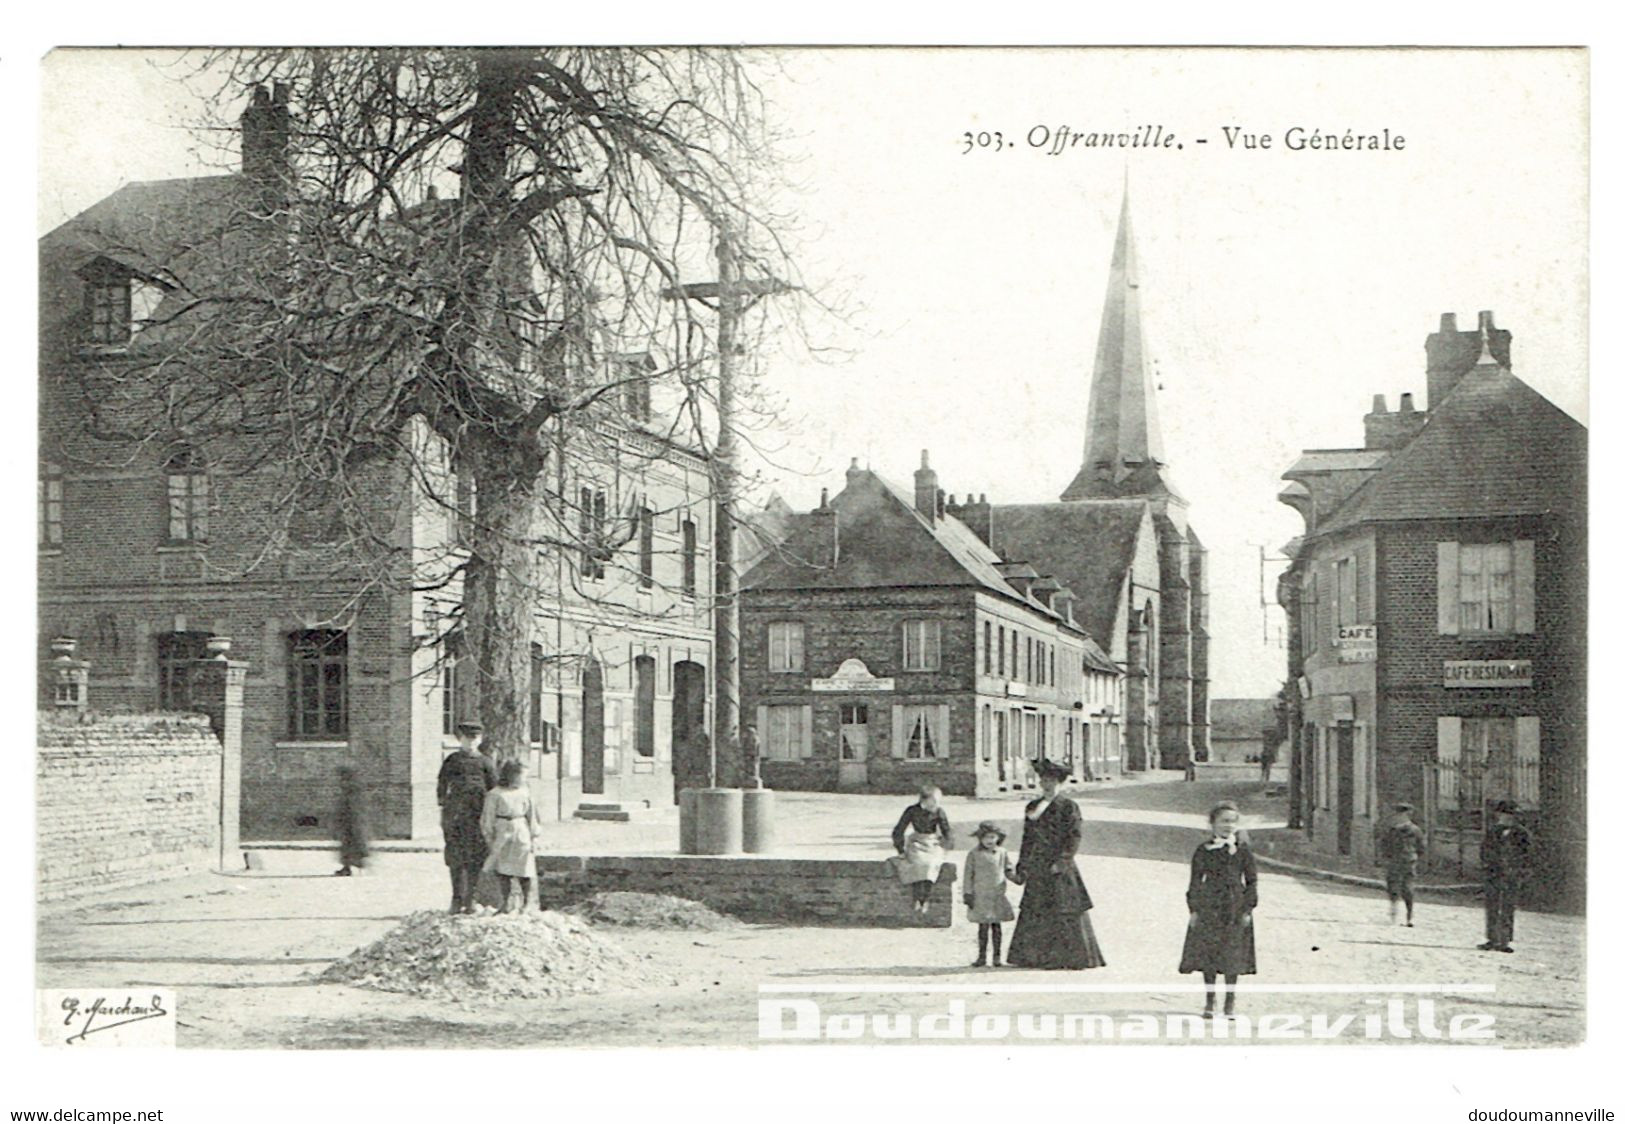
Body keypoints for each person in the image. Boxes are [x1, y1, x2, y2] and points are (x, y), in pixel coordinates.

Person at [1006, 759, 1106, 970]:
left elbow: (1074, 837)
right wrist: (1022, 866)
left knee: (1063, 909)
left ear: (1060, 783)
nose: (1046, 784)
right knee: (1036, 909)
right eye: (1043, 779)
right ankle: (1035, 957)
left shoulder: (1068, 807)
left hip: (1059, 867)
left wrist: (1062, 862)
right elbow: (1028, 839)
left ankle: (1066, 958)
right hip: (1037, 865)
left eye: (1051, 780)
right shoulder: (1033, 807)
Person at [1179, 801, 1258, 1019]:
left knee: (1233, 957)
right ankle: (1210, 1003)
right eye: (1224, 821)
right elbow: (1195, 881)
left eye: (1233, 822)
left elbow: (1252, 881)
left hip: (1234, 907)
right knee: (1209, 956)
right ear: (1212, 824)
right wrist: (1193, 909)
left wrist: (1247, 909)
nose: (1228, 826)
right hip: (1209, 907)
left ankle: (1230, 1004)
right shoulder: (1203, 851)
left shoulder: (1242, 851)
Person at [437, 720, 497, 914]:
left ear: (480, 740)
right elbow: (442, 785)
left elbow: (493, 789)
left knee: (475, 859)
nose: (470, 742)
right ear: (459, 739)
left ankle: (470, 898)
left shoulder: (486, 762)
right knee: (455, 858)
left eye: (474, 739)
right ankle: (456, 899)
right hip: (455, 817)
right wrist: (446, 809)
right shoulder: (452, 760)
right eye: (466, 738)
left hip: (477, 818)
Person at [481, 759, 544, 913]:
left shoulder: (524, 793)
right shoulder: (495, 794)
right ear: (511, 775)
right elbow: (488, 817)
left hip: (521, 830)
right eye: (522, 776)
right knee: (503, 869)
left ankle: (527, 903)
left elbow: (532, 816)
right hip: (503, 831)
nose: (524, 779)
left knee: (525, 867)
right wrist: (489, 836)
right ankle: (506, 903)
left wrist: (534, 835)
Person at [962, 821, 1018, 967]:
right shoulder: (974, 854)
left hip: (996, 895)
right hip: (980, 896)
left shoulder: (1002, 852)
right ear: (980, 838)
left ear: (998, 838)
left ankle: (997, 957)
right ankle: (981, 957)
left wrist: (1018, 878)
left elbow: (1008, 870)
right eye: (986, 837)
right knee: (982, 928)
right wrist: (968, 893)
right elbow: (968, 875)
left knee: (996, 927)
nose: (989, 840)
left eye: (993, 837)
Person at [1480, 799, 1532, 953]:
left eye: (1512, 815)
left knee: (1508, 906)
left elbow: (1527, 855)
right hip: (1494, 873)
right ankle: (1491, 938)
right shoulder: (1492, 831)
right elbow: (1484, 851)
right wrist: (1487, 866)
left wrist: (1521, 871)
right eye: (1505, 814)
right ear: (1498, 815)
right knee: (1492, 905)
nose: (1508, 818)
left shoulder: (1522, 834)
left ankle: (1505, 940)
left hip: (1512, 874)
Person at [891, 785, 953, 913]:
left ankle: (925, 899)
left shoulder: (939, 811)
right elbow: (898, 830)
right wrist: (900, 850)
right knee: (917, 864)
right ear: (924, 800)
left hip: (932, 843)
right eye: (934, 800)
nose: (937, 803)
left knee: (932, 864)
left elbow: (947, 831)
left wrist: (946, 846)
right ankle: (917, 898)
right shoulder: (912, 811)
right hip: (917, 842)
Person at [1379, 803, 1426, 926]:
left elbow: (1421, 847)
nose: (1399, 816)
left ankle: (1402, 916)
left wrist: (1387, 857)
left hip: (1401, 861)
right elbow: (1421, 848)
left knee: (1401, 887)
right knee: (1400, 887)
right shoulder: (1408, 830)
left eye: (1400, 814)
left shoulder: (1403, 830)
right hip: (1403, 860)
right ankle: (1401, 915)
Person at [333, 764, 369, 877]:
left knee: (349, 845)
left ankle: (348, 867)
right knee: (350, 846)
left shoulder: (350, 789)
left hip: (350, 823)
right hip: (351, 822)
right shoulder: (353, 788)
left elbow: (350, 807)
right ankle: (350, 866)